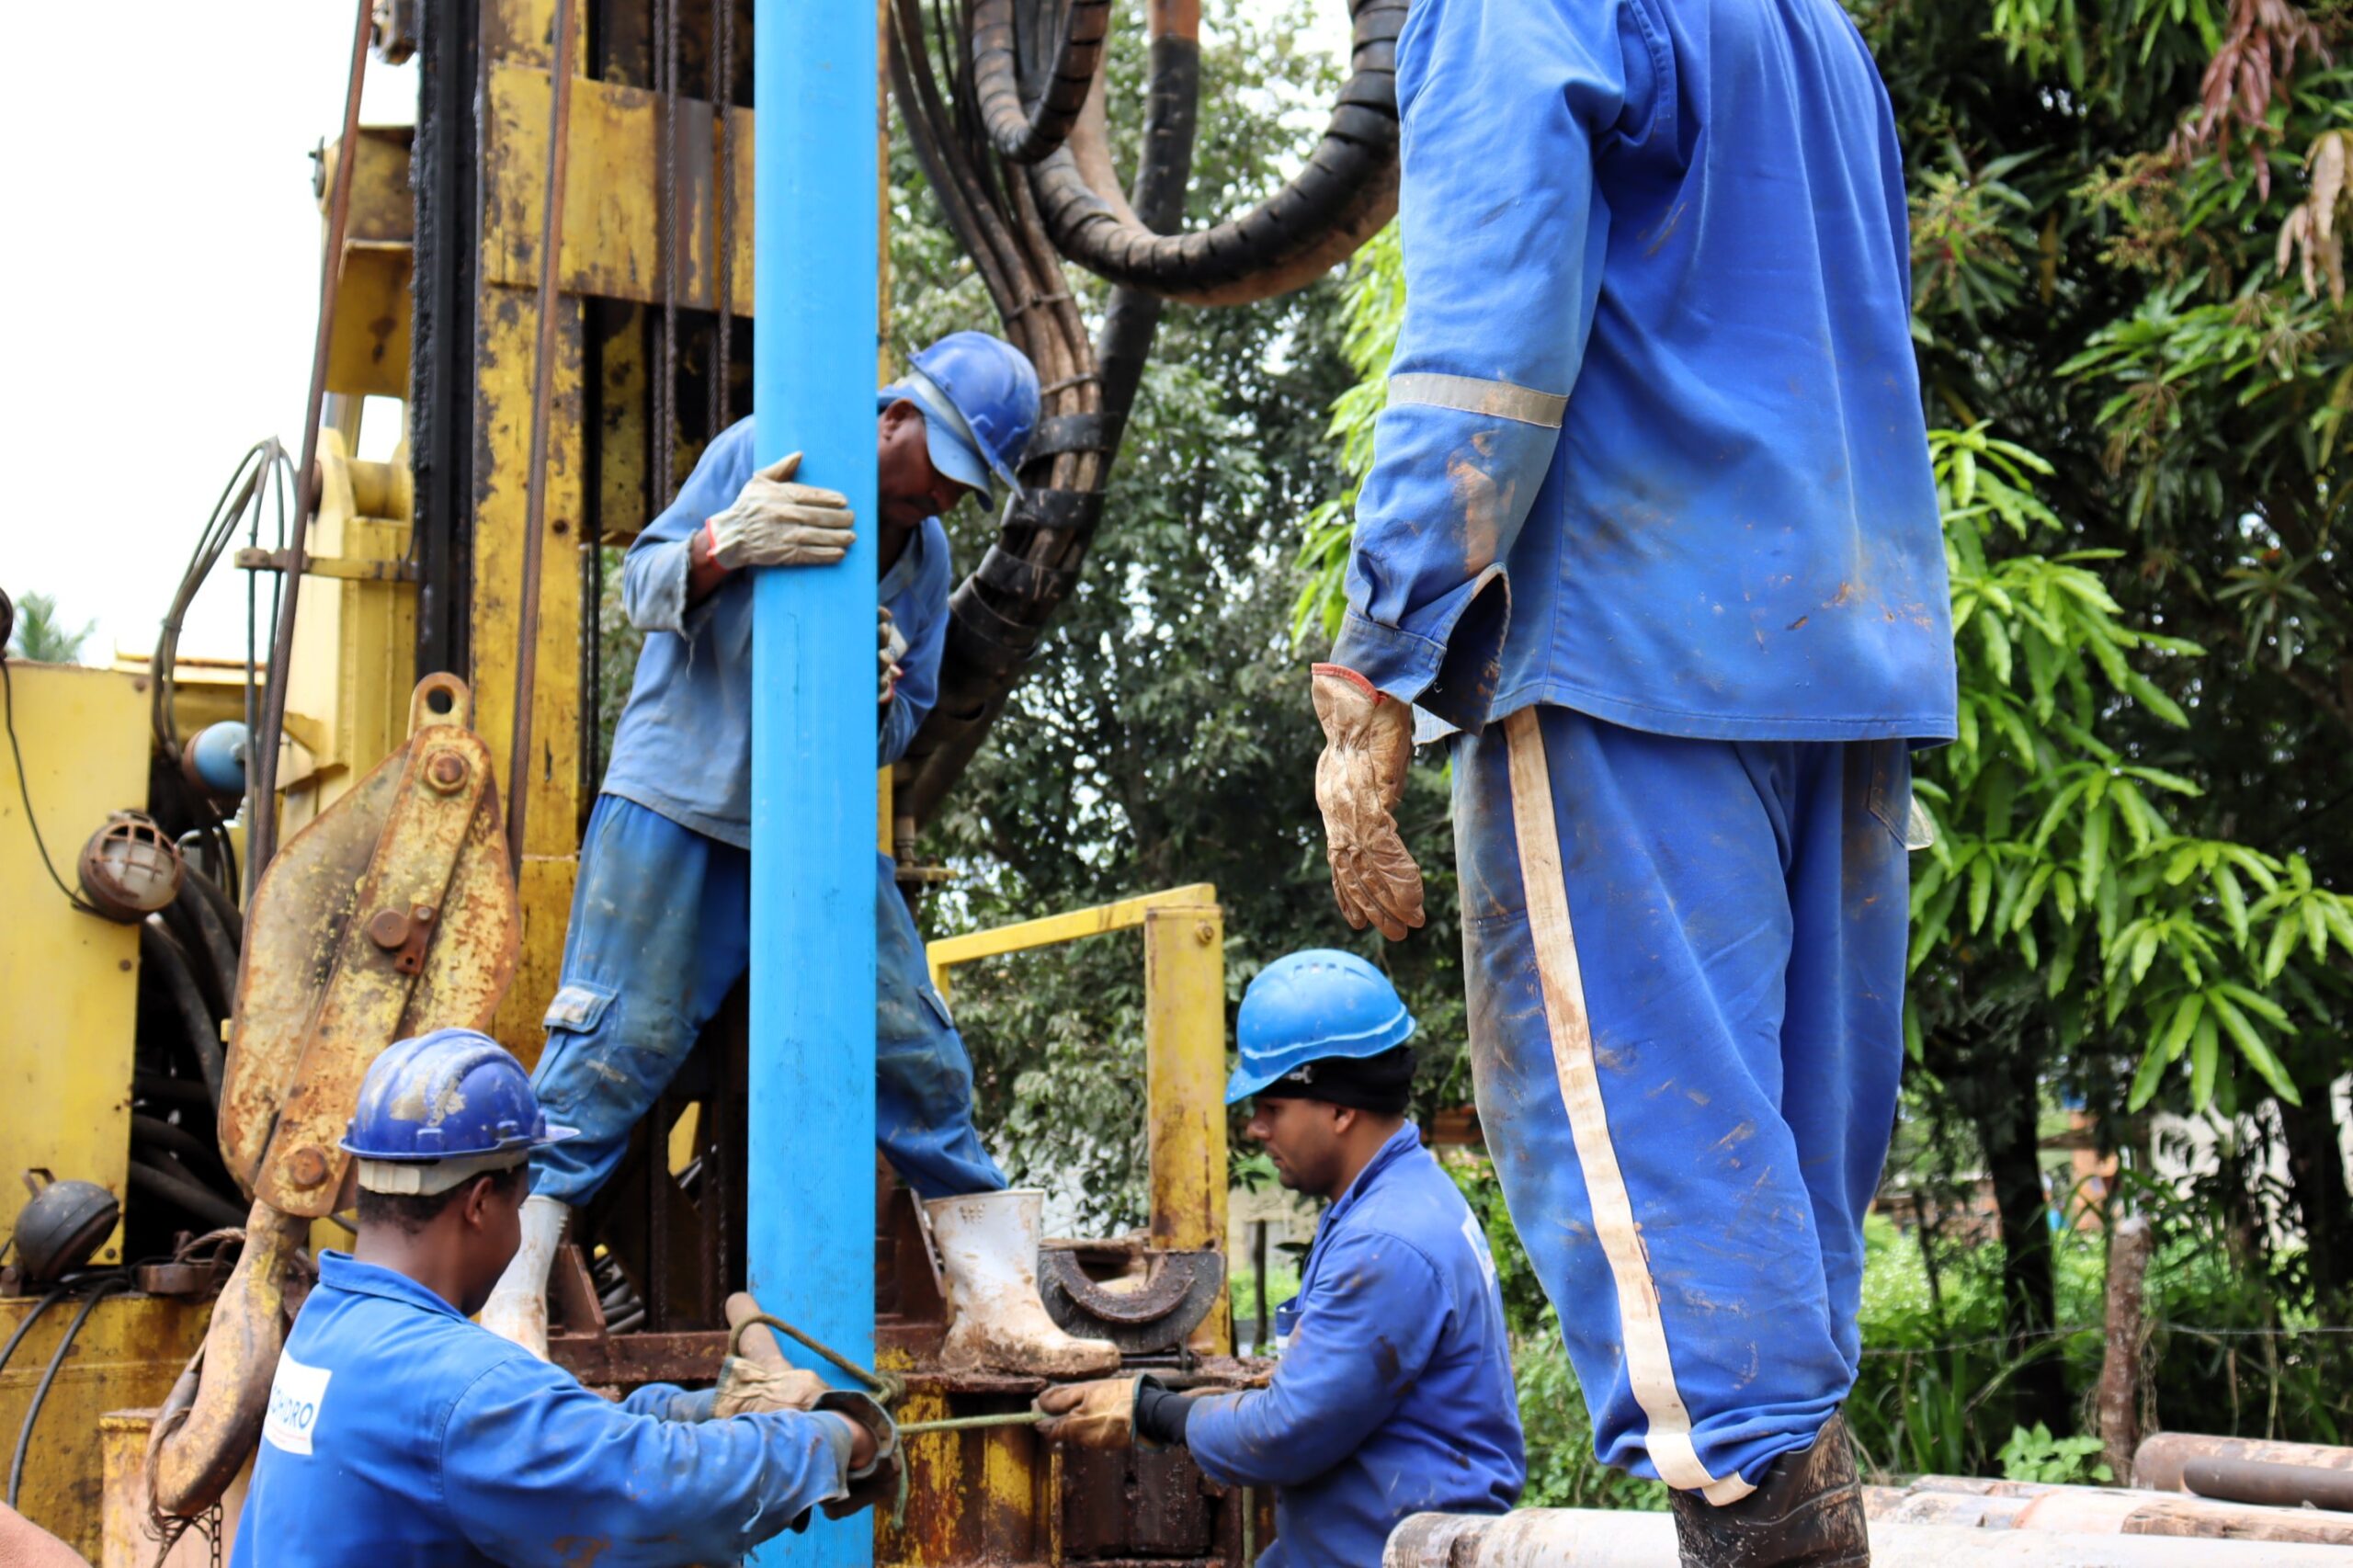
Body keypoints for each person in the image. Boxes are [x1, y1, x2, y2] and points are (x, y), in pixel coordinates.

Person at [1303, 0, 1956, 1556]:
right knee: (1777, 1229)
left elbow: (1492, 331)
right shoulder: (1815, 29)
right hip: (1843, 648)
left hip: (1627, 643)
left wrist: (1382, 651)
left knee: (1679, 1236)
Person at [479, 332, 1119, 1380]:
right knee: (607, 1053)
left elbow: (903, 725)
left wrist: (878, 693)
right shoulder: (759, 454)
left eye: (968, 489)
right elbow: (638, 585)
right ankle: (504, 1309)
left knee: (919, 1054)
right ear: (891, 417)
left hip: (815, 824)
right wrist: (724, 542)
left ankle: (997, 1307)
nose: (945, 504)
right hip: (677, 807)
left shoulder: (926, 554)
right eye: (939, 475)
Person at [232, 1029, 898, 1568]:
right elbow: (646, 1491)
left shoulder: (332, 1325)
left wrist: (705, 1410)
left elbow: (556, 1432)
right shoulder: (455, 1387)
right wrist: (835, 1438)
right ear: (481, 1203)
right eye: (521, 1205)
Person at [1034, 951, 1523, 1568]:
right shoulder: (1396, 1201)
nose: (1255, 1130)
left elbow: (1287, 1433)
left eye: (1272, 1108)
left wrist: (1150, 1410)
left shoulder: (1387, 1240)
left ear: (1341, 1109)